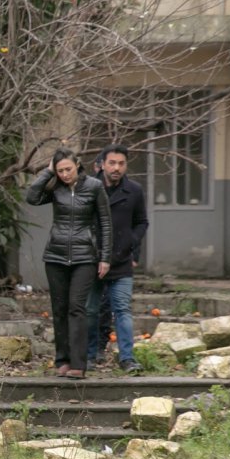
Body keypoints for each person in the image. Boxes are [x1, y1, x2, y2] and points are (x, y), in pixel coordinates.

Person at [26, 148, 112, 380]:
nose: (65, 174)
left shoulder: (94, 186)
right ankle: (62, 360)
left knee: (76, 307)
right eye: (60, 170)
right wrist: (47, 173)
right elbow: (31, 197)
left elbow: (105, 222)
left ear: (77, 165)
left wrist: (105, 257)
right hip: (55, 255)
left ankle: (78, 364)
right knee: (59, 309)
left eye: (68, 169)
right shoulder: (55, 187)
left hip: (85, 256)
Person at [87, 144, 149, 373]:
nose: (116, 168)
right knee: (91, 310)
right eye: (112, 163)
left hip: (121, 261)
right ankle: (90, 356)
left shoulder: (134, 190)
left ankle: (127, 358)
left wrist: (131, 245)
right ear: (102, 164)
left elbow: (142, 222)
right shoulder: (88, 188)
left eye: (121, 163)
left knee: (122, 310)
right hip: (92, 260)